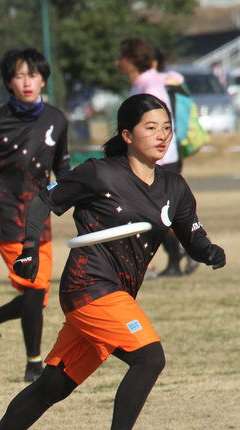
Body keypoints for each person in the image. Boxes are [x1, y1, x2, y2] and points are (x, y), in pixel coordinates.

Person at [0, 93, 226, 430]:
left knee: (53, 386)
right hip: (88, 285)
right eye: (151, 128)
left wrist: (209, 251)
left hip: (116, 293)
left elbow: (192, 236)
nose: (162, 136)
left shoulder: (174, 186)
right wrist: (29, 249)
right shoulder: (99, 173)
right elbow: (42, 202)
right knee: (149, 357)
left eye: (166, 128)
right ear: (127, 135)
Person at [0, 48, 70, 382]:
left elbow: (62, 168)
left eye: (33, 75)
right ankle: (34, 364)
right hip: (5, 220)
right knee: (35, 288)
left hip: (40, 217)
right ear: (9, 82)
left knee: (38, 295)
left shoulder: (57, 119)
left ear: (43, 79)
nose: (27, 82)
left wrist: (75, 198)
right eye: (19, 76)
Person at [117, 37, 194, 277]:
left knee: (156, 212)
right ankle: (177, 257)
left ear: (132, 60)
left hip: (159, 160)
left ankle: (182, 251)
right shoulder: (141, 84)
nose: (117, 62)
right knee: (156, 212)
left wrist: (149, 159)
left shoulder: (149, 86)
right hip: (149, 159)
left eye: (121, 57)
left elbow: (158, 125)